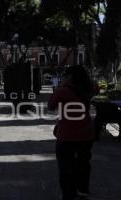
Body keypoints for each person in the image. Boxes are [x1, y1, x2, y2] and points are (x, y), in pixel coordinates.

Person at [48, 65, 94, 200]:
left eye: (64, 75)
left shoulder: (62, 91)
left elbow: (50, 106)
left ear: (69, 77)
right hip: (87, 132)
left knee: (65, 165)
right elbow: (94, 89)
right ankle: (82, 190)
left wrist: (61, 88)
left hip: (67, 134)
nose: (62, 77)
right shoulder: (90, 88)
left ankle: (68, 194)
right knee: (84, 163)